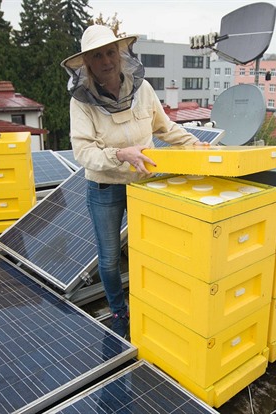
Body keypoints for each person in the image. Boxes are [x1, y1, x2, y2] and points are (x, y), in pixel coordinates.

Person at [61, 25, 205, 339]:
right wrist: (120, 154)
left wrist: (197, 144)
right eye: (97, 55)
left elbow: (165, 128)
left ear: (121, 53)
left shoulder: (143, 90)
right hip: (105, 188)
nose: (106, 60)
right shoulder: (82, 102)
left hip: (144, 185)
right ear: (87, 62)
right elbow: (83, 152)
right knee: (110, 259)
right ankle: (118, 312)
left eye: (110, 52)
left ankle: (151, 304)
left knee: (150, 253)